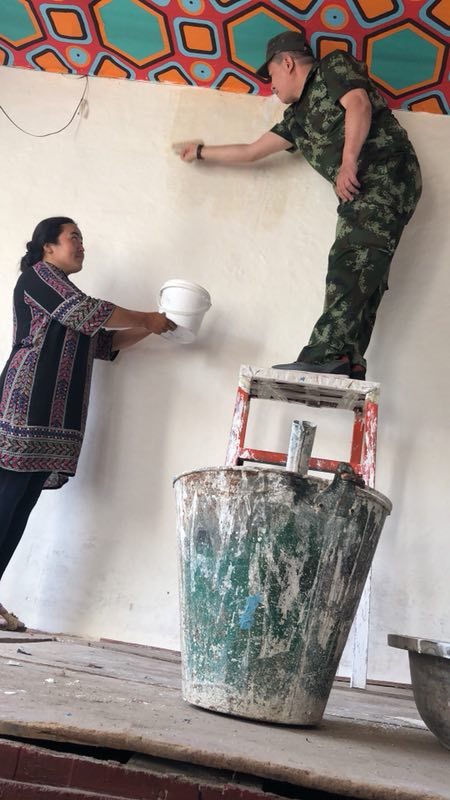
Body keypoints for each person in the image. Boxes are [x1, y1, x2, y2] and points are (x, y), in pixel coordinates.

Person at [178, 31, 422, 380]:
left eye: (272, 76)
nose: (271, 87)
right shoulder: (296, 119)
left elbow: (358, 104)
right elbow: (251, 151)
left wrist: (348, 162)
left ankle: (326, 353)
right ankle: (349, 359)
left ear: (288, 63)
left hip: (385, 172)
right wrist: (201, 152)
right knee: (368, 270)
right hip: (365, 189)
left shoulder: (332, 66)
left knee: (350, 260)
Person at [0, 217, 176, 631]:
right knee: (6, 503)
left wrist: (156, 327)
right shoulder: (40, 278)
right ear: (48, 246)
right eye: (73, 238)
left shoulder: (68, 295)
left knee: (19, 509)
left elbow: (105, 341)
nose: (81, 245)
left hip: (56, 420)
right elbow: (90, 313)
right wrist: (146, 317)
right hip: (26, 409)